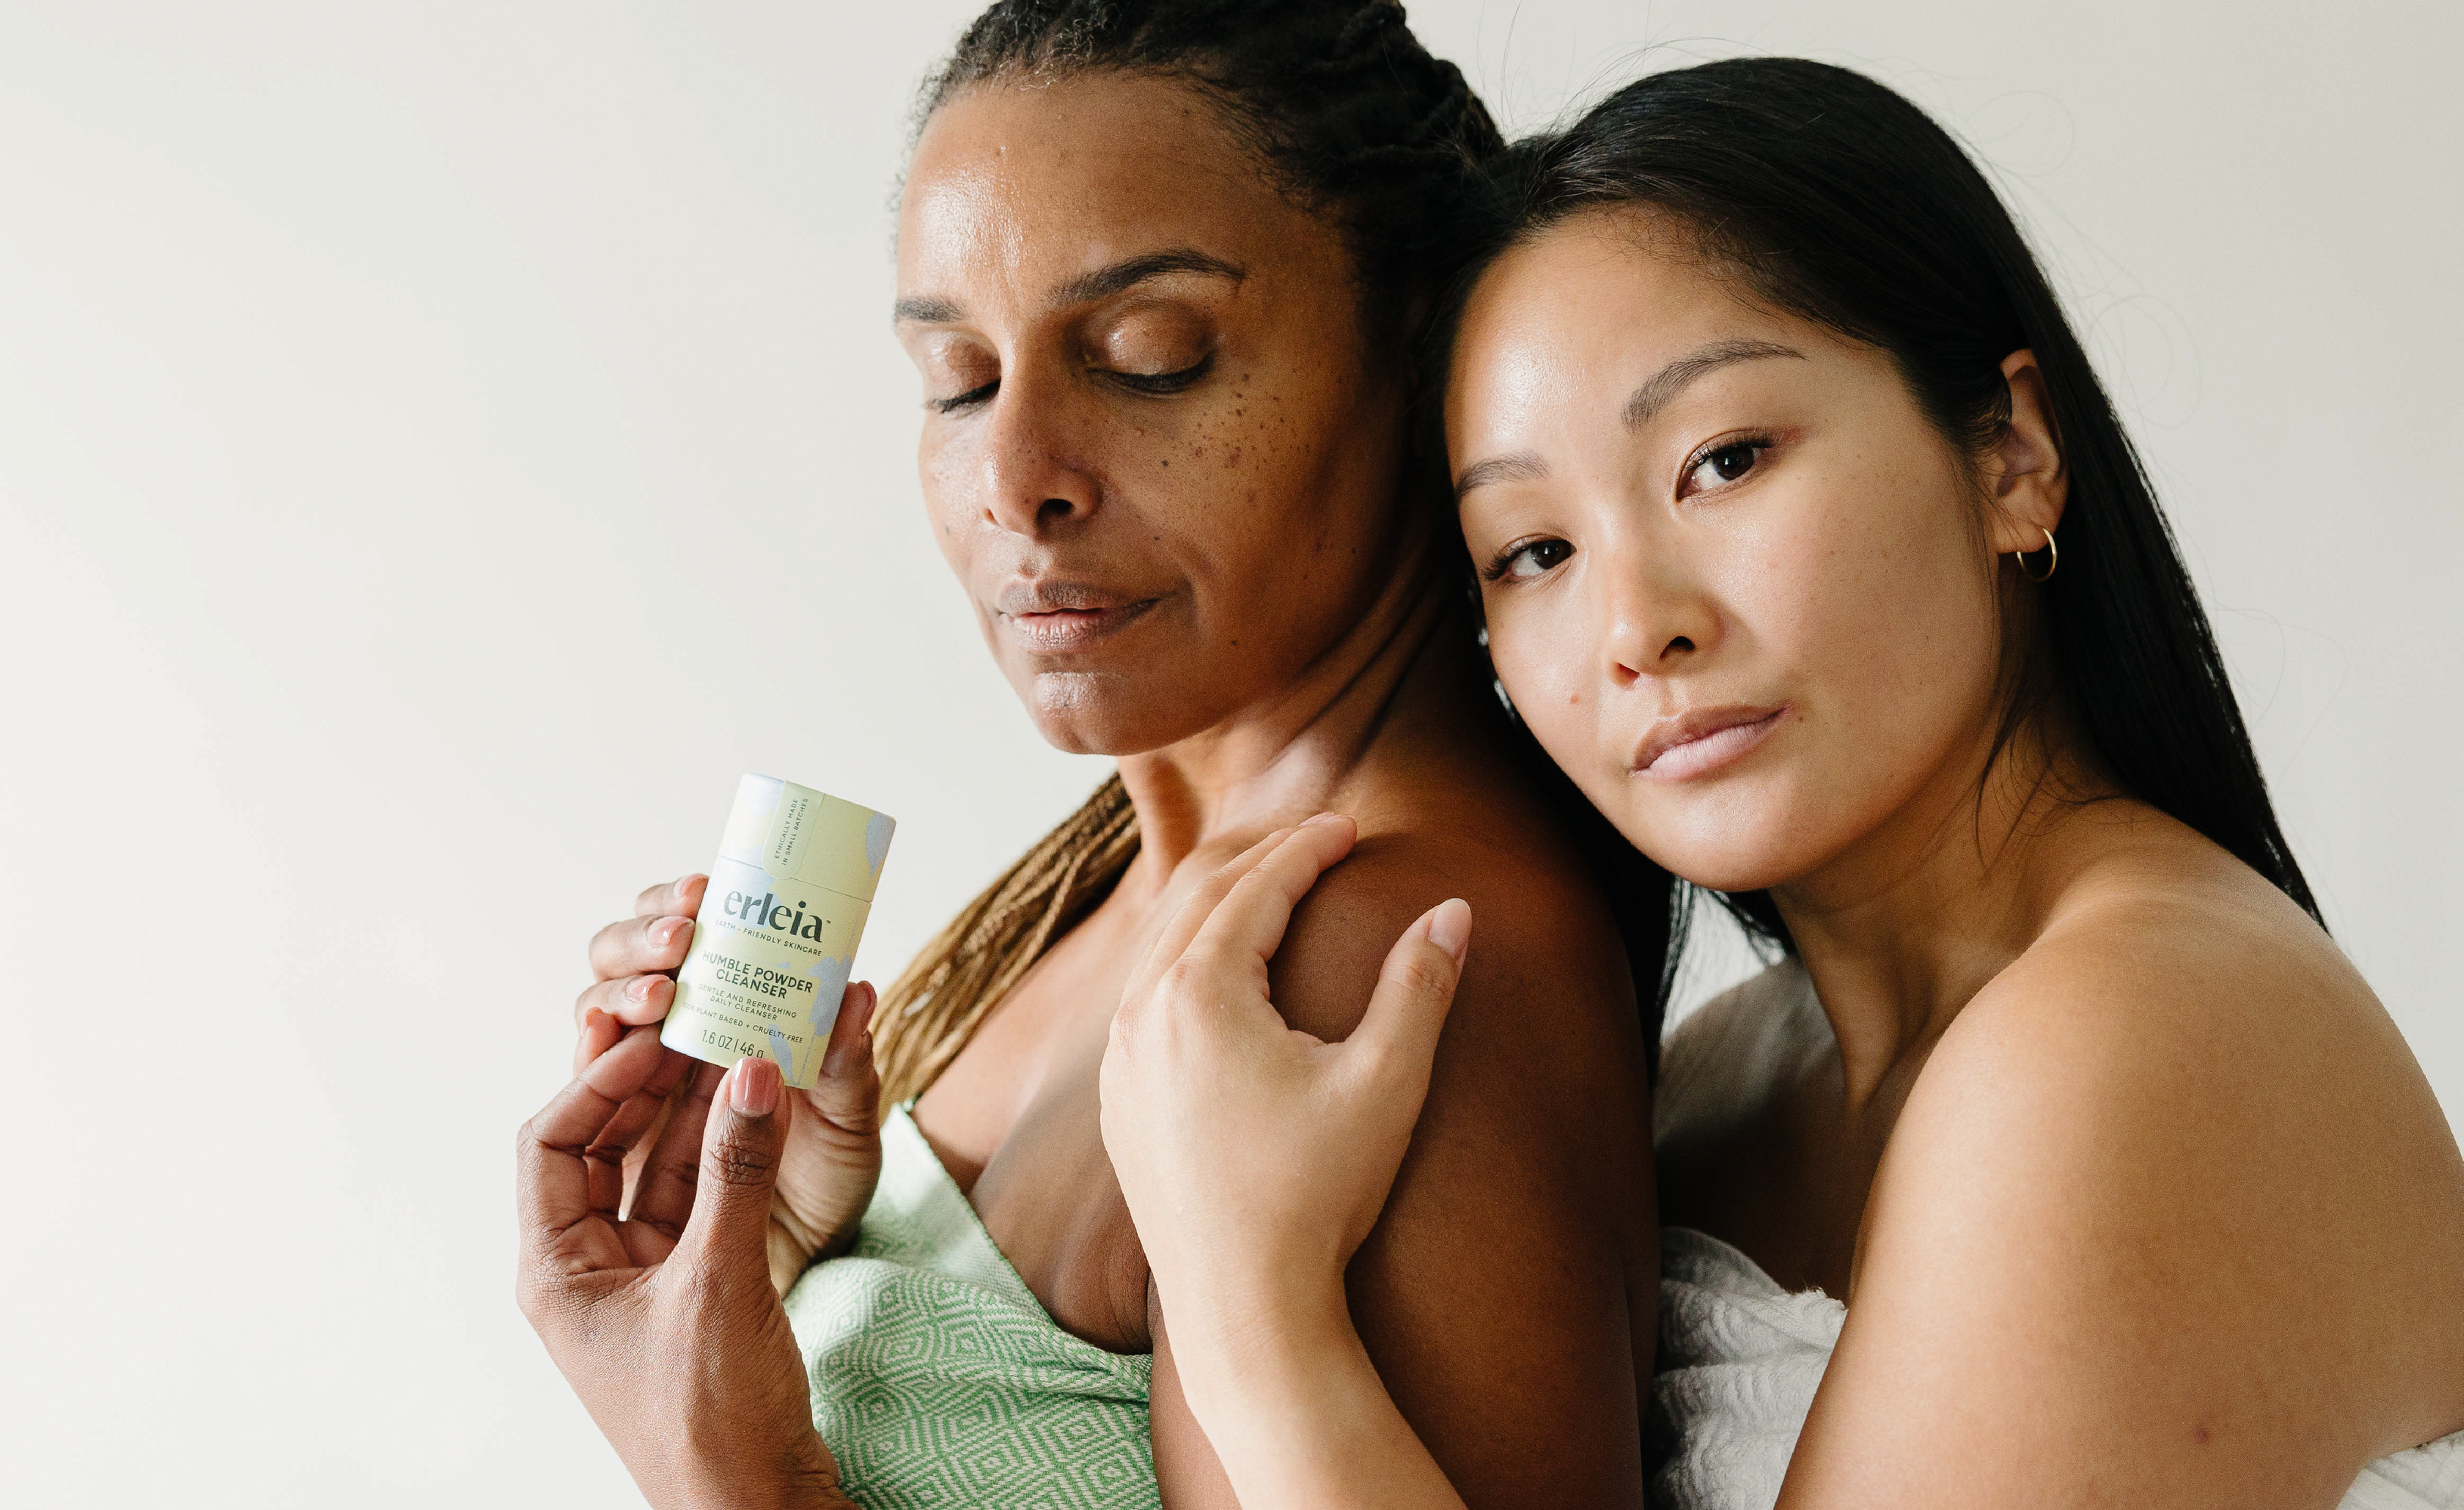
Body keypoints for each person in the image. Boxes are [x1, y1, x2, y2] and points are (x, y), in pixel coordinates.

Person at [1096, 57, 2464, 1510]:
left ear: (2012, 453)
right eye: (1535, 552)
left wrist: (1247, 1312)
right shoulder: (1732, 1084)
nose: (1639, 628)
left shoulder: (2137, 1034)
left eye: (1725, 460)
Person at [512, 5, 1672, 1507]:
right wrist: (752, 1255)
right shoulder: (1111, 885)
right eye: (958, 379)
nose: (1014, 479)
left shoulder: (1374, 967)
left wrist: (733, 1477)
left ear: (1419, 349)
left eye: (1149, 354)